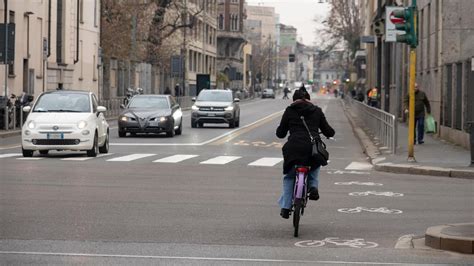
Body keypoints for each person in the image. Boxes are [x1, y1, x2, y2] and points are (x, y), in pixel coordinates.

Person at [276, 86, 335, 219]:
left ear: (294, 99)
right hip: (311, 147)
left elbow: (281, 133)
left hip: (293, 148)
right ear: (308, 99)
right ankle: (313, 187)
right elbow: (328, 131)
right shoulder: (317, 111)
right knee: (315, 163)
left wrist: (281, 131)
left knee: (289, 177)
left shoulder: (290, 110)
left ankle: (285, 208)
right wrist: (329, 133)